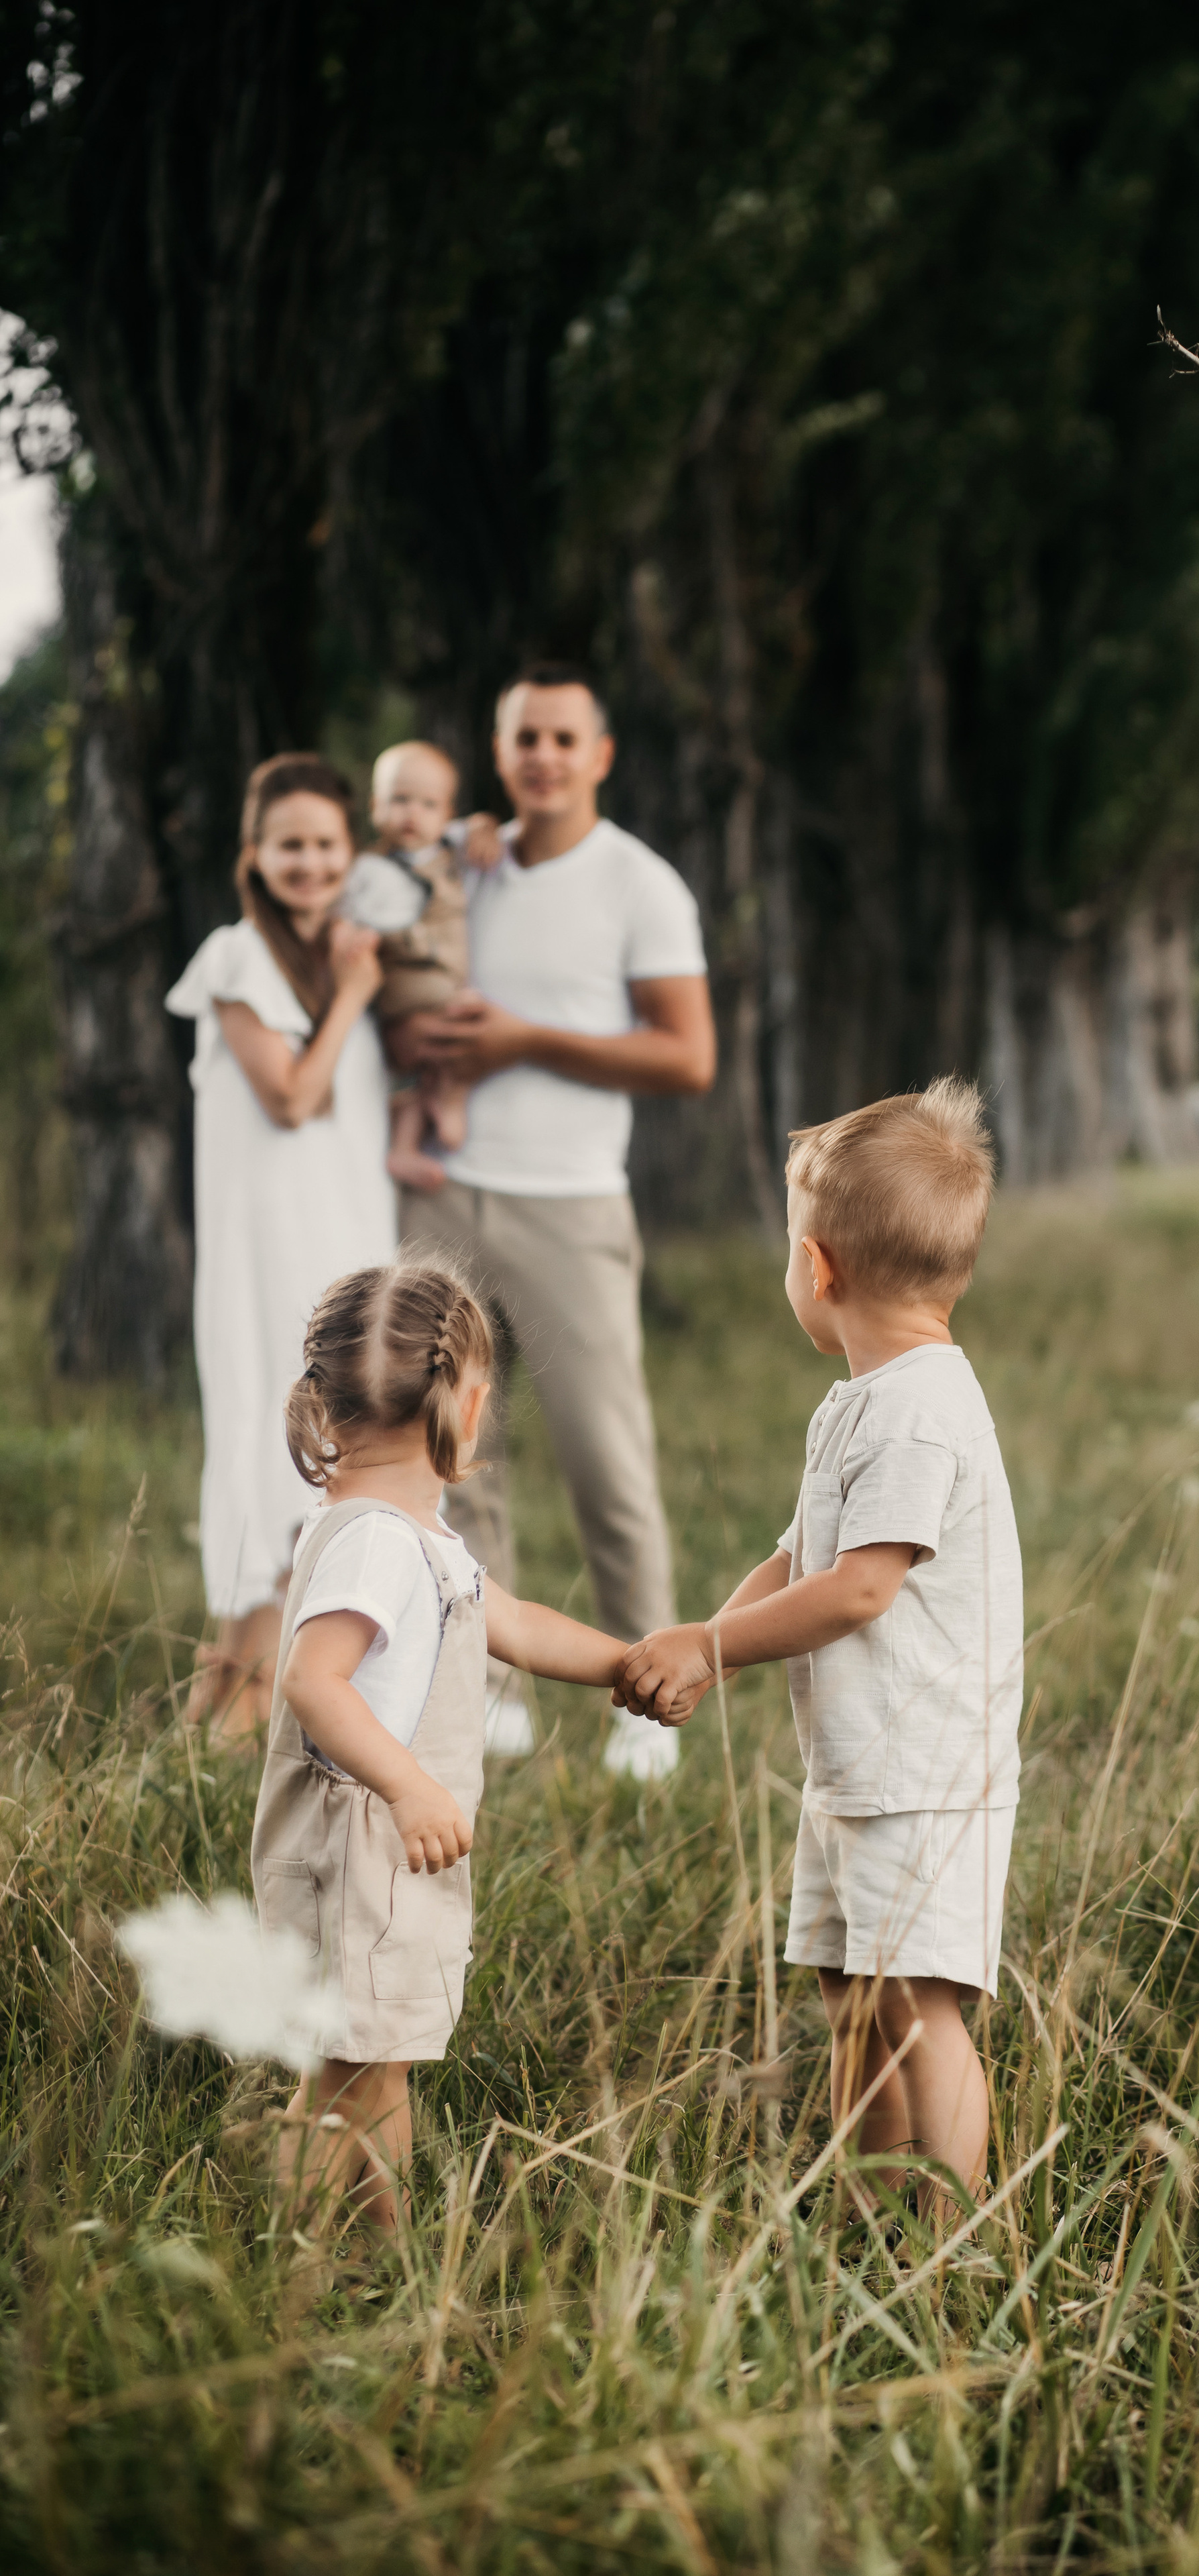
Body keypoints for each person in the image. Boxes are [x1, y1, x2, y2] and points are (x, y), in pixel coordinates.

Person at [616, 1079, 1023, 2218]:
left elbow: (858, 1590)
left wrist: (711, 1644)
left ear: (823, 1267)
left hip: (924, 1778)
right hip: (861, 1775)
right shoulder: (861, 1403)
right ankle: (863, 2204)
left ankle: (944, 2240)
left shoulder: (919, 1409)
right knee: (857, 1998)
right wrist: (704, 1644)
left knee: (920, 2009)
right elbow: (803, 1561)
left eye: (789, 1249)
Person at [255, 1258, 628, 2237]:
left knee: (379, 2066)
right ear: (465, 1406)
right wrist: (412, 1786)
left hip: (391, 1854)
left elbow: (519, 1627)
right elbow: (311, 1680)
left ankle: (378, 2252)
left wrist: (627, 1666)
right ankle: (302, 2248)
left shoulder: (418, 1535)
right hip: (363, 1853)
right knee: (352, 2077)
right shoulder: (378, 1542)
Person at [394, 666, 717, 1772]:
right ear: (500, 750)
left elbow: (688, 1054)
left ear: (600, 754)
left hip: (572, 1201)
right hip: (439, 1194)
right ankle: (482, 1690)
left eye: (562, 738)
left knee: (604, 1460)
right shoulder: (463, 866)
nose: (542, 755)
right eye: (523, 736)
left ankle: (650, 1698)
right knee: (454, 1452)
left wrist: (524, 1041)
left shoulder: (641, 884)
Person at [167, 753, 396, 1739]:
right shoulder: (236, 958)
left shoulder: (338, 955)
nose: (308, 863)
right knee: (272, 1446)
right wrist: (353, 991)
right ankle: (235, 1705)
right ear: (253, 854)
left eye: (326, 845)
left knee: (328, 1448)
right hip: (268, 1256)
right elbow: (293, 1097)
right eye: (288, 845)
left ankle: (234, 1703)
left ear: (350, 854)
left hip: (342, 1246)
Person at [344, 739, 494, 1194]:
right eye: (399, 800)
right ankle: (449, 1098)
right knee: (467, 1027)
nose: (413, 814)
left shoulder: (450, 848)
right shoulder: (368, 868)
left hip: (443, 981)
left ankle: (408, 1145)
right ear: (375, 807)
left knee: (430, 1068)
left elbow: (479, 829)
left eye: (429, 804)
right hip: (409, 987)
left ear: (447, 812)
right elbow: (350, 916)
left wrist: (485, 826)